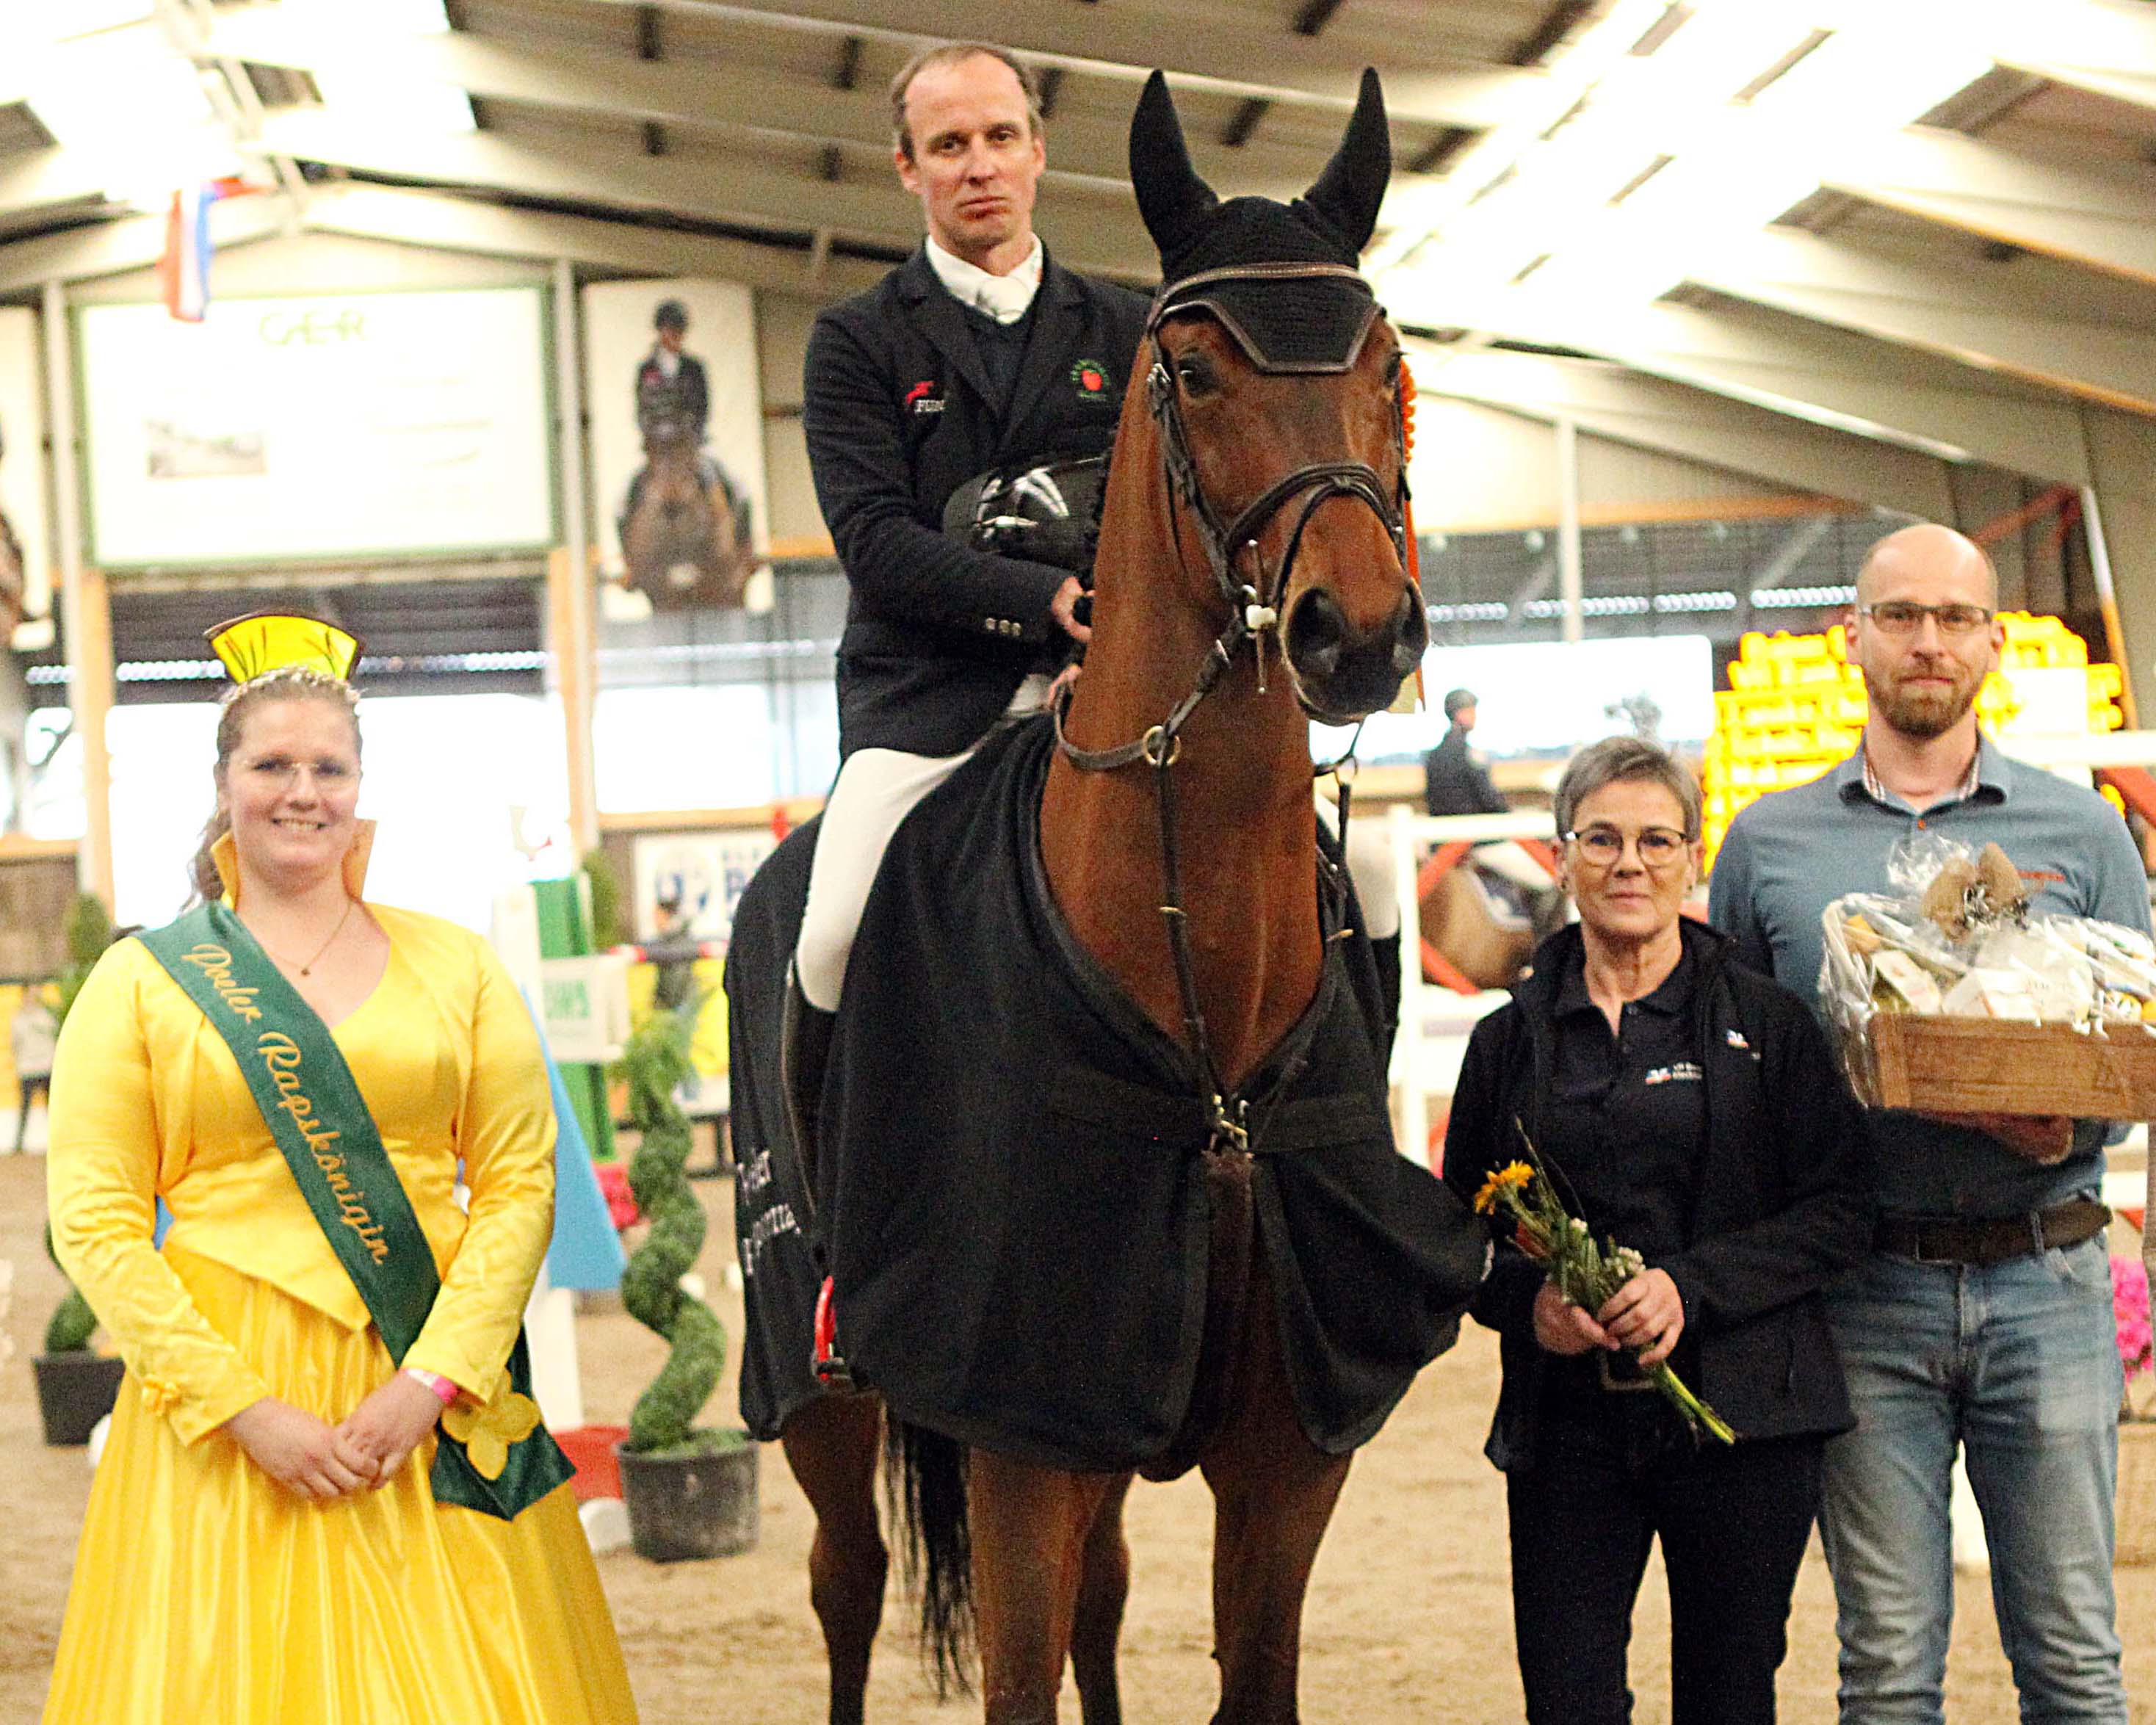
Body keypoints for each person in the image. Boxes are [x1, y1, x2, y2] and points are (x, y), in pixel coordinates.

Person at [41, 616, 636, 1724]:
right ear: (225, 785)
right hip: (223, 1395)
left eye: (329, 768)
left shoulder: (458, 965)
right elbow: (94, 1218)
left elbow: (519, 1186)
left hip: (423, 1381)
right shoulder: (139, 984)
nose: (302, 792)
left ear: (360, 788)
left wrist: (433, 1380)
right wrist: (240, 1409)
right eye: (272, 765)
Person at [1710, 522, 2146, 1724]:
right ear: (1852, 635)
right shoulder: (1767, 842)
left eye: (1954, 617)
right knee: (1887, 1667)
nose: (1927, 640)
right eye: (1900, 614)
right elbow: (1738, 1071)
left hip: (2047, 1273)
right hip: (1864, 1287)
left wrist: (2066, 1126)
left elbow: (2135, 1038)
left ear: (1993, 642)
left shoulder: (2082, 831)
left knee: (2073, 1661)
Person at [1444, 735, 1872, 1725]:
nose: (1627, 863)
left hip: (1743, 1421)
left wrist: (1692, 1286)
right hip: (1567, 1428)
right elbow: (1456, 1232)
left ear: (1691, 857)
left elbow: (1842, 1209)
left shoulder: (1768, 1025)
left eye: (1654, 840)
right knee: (1568, 1701)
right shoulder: (1506, 1043)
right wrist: (1530, 1303)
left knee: (1728, 1700)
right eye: (1600, 839)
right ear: (1561, 858)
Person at [785, 42, 1148, 1157]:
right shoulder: (856, 339)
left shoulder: (1131, 329)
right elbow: (875, 543)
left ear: (1038, 151)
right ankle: (834, 1201)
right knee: (832, 933)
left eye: (999, 137)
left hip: (1119, 693)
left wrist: (1117, 642)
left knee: (1340, 872)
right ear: (908, 168)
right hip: (928, 703)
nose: (978, 164)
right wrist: (1044, 601)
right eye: (948, 145)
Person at [1424, 686, 1505, 817]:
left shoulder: (1433, 756)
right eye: (1471, 711)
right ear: (1459, 714)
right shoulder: (1469, 754)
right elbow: (1489, 799)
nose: (1475, 717)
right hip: (1472, 825)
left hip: (1443, 826)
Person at [11, 987, 54, 1153]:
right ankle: (19, 1144)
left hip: (46, 1066)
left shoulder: (46, 1016)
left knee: (52, 1108)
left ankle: (56, 1141)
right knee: (25, 1109)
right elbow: (15, 1044)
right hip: (27, 1068)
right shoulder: (18, 1019)